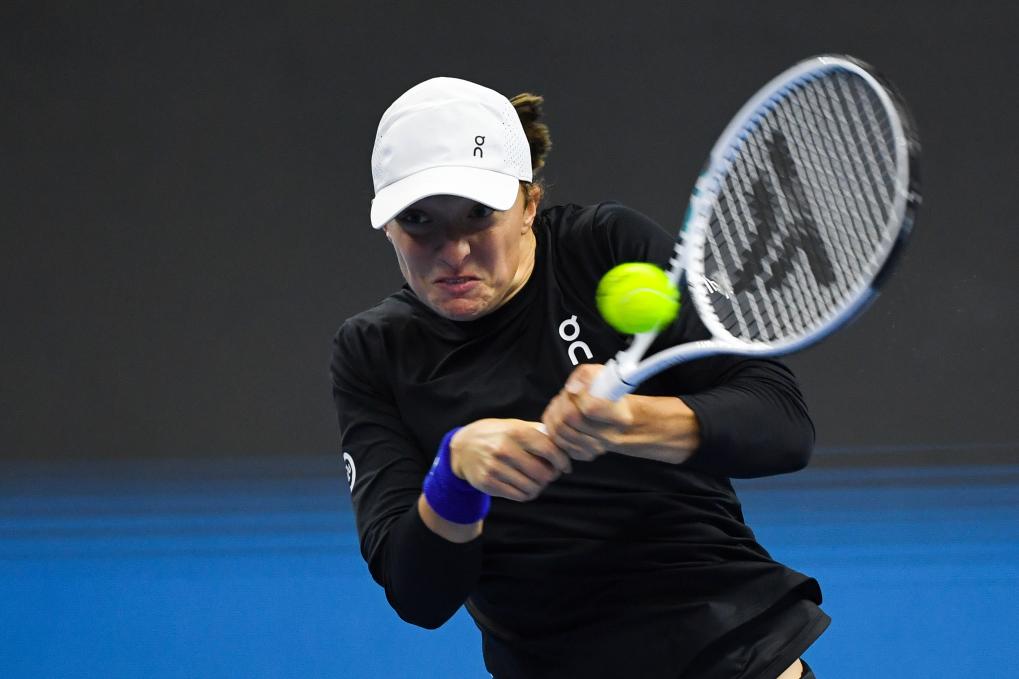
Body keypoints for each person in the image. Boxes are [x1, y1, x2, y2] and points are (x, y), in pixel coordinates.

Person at [331, 77, 829, 678]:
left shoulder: (603, 246)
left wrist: (632, 421)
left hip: (728, 650)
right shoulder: (373, 351)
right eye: (419, 221)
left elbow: (783, 423)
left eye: (478, 215)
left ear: (529, 206)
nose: (453, 251)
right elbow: (418, 596)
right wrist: (455, 479)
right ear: (388, 226)